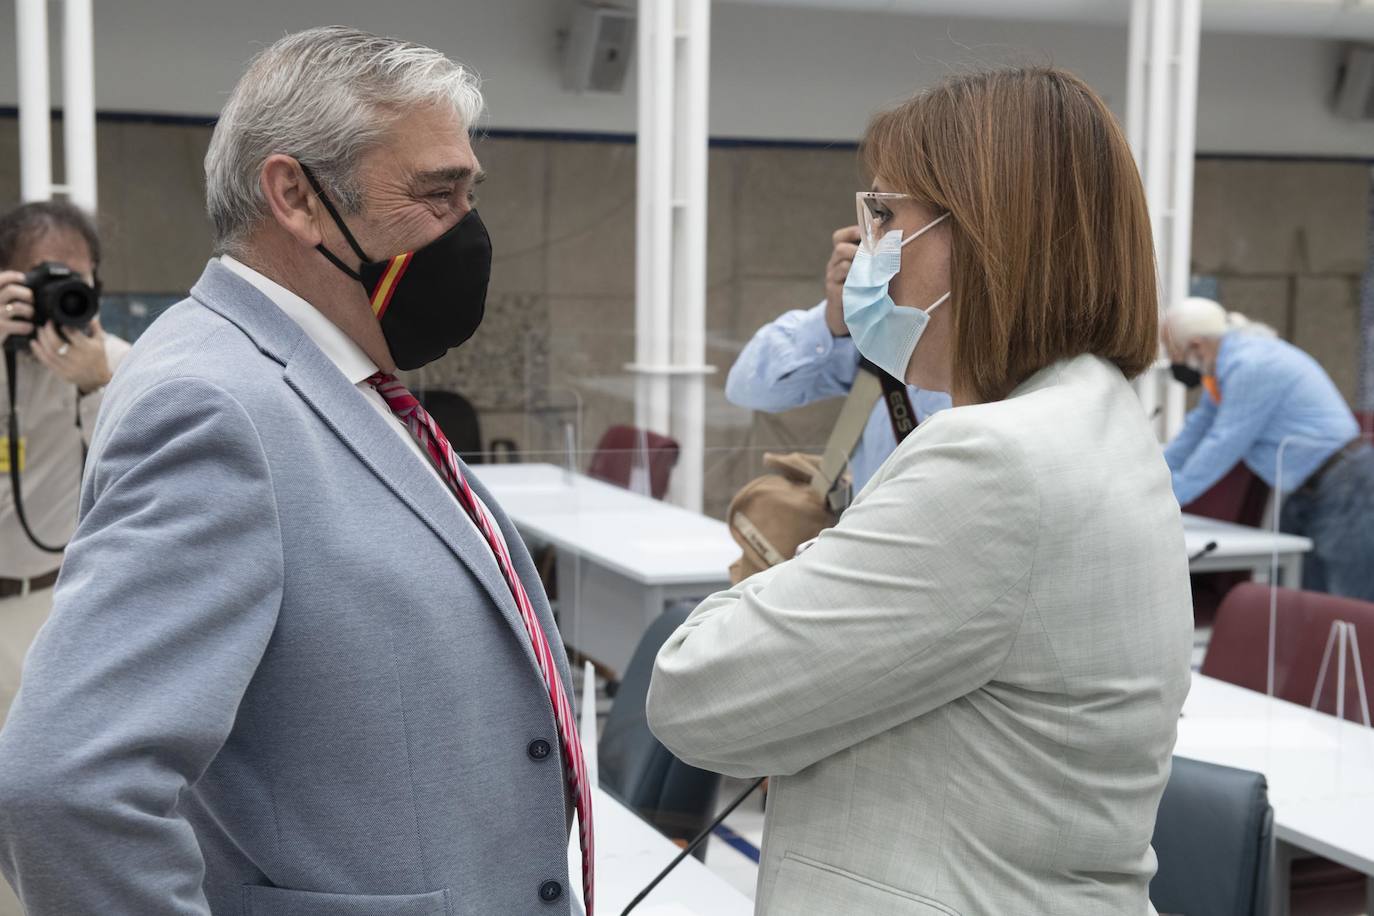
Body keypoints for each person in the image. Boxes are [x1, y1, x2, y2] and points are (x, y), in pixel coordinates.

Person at [0, 27, 592, 915]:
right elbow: (68, 788)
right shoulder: (215, 406)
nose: (465, 231)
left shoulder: (331, 371)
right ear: (296, 197)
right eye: (436, 195)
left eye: (469, 194)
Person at [648, 66, 1193, 915]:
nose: (867, 248)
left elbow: (695, 697)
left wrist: (791, 570)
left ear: (984, 237)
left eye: (886, 216)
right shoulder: (1092, 417)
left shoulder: (993, 462)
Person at [0, 201, 129, 732]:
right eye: (41, 279)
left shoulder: (120, 365)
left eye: (73, 279)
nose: (58, 293)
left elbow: (143, 474)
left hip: (57, 609)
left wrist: (98, 385)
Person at [1164, 296, 1372, 600]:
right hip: (1310, 487)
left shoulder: (1252, 366)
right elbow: (1195, 432)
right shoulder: (1222, 369)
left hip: (1347, 484)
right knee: (1298, 600)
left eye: (1173, 353)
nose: (1174, 363)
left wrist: (1165, 504)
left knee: (1350, 600)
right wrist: (1150, 478)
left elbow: (1222, 445)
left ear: (1196, 345)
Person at [725, 225, 951, 491]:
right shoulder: (886, 335)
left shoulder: (1003, 359)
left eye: (884, 212)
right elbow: (748, 388)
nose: (874, 230)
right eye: (869, 211)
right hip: (867, 526)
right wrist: (836, 321)